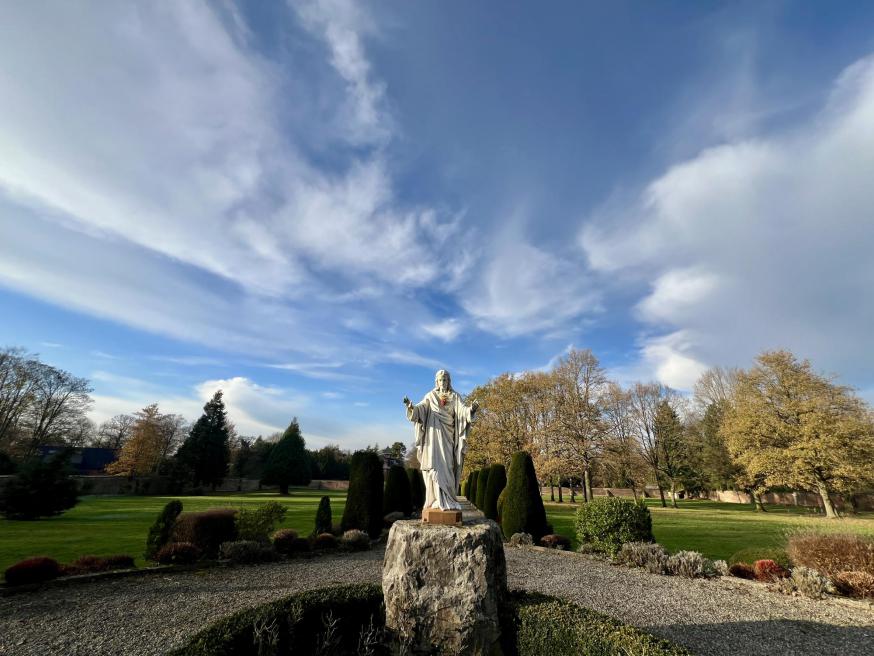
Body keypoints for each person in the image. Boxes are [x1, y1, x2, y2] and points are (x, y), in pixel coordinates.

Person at [403, 369, 478, 511]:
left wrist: (471, 410)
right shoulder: (430, 396)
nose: (443, 382)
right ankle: (436, 499)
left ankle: (448, 499)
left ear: (449, 381)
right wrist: (412, 407)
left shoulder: (455, 396)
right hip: (433, 438)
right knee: (434, 467)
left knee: (448, 466)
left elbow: (462, 411)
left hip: (448, 437)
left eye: (445, 380)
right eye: (440, 380)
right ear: (436, 382)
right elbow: (421, 409)